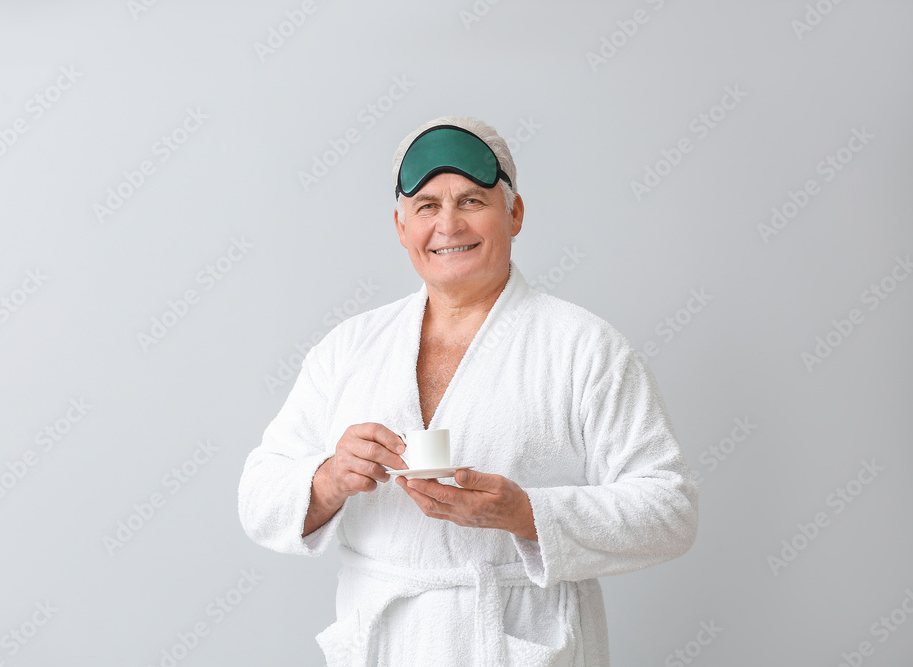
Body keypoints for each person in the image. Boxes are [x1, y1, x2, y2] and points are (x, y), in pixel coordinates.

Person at [238, 116, 698, 666]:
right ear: (400, 224)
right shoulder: (349, 349)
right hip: (384, 644)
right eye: (427, 206)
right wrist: (328, 479)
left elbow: (671, 510)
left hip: (514, 639)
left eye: (472, 201)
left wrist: (527, 513)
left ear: (515, 213)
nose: (448, 225)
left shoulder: (583, 346)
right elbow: (258, 496)